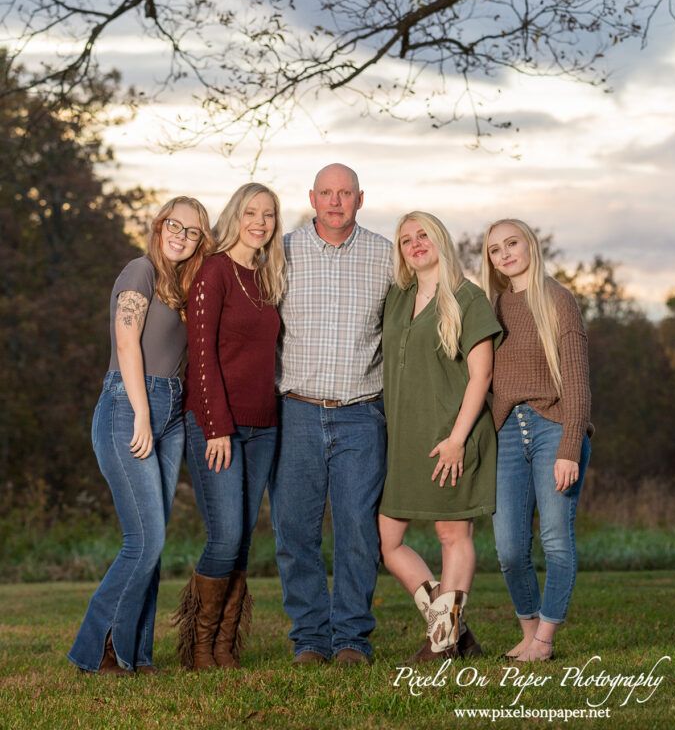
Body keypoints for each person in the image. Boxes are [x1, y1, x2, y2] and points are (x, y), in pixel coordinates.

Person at [67, 196, 213, 675]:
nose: (181, 236)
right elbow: (126, 341)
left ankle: (135, 653)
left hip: (169, 413)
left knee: (155, 538)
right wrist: (141, 414)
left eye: (192, 232)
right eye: (175, 225)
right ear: (159, 225)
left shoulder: (181, 286)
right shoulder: (140, 271)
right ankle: (99, 647)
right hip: (129, 407)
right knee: (143, 541)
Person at [269, 163, 393, 665]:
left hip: (362, 414)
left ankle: (350, 640)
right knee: (295, 530)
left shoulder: (387, 256)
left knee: (358, 532)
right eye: (327, 193)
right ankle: (309, 639)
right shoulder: (283, 253)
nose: (336, 201)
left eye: (345, 193)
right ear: (313, 198)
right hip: (296, 411)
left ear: (360, 199)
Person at [379, 212, 502, 662]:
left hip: (453, 438)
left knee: (453, 535)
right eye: (406, 239)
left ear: (440, 240)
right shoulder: (398, 296)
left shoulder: (468, 298)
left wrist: (456, 440)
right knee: (387, 541)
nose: (415, 243)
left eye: (423, 234)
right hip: (405, 439)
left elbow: (481, 375)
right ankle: (454, 629)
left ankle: (441, 643)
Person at [174, 183, 285, 670]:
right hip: (215, 425)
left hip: (263, 425)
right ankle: (198, 647)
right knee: (224, 535)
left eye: (269, 215)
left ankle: (224, 647)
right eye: (252, 212)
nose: (260, 222)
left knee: (241, 540)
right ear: (236, 215)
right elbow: (200, 357)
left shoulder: (268, 278)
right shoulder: (213, 271)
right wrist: (216, 425)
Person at [482, 219, 593, 662]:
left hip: (554, 426)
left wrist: (569, 447)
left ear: (530, 245)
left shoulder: (558, 300)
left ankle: (545, 641)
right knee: (509, 547)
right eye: (495, 250)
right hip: (507, 430)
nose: (505, 254)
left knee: (555, 538)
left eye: (512, 243)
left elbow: (579, 384)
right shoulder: (494, 307)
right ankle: (529, 633)